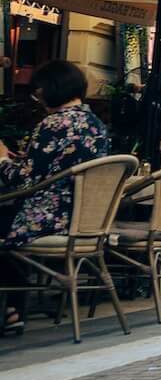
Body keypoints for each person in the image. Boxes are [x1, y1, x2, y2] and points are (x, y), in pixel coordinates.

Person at [0, 61, 111, 332]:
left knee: (6, 227)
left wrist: (2, 160)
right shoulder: (96, 125)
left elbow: (25, 180)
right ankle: (13, 309)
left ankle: (11, 308)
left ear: (51, 89)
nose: (37, 98)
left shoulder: (54, 123)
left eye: (38, 92)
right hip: (83, 221)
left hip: (50, 218)